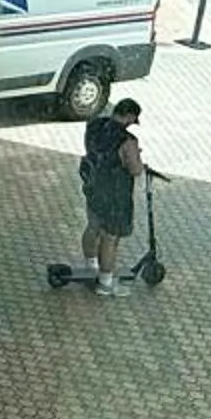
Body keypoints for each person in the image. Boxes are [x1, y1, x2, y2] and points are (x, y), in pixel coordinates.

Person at [74, 97, 150, 295]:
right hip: (115, 195)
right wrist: (138, 159)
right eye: (133, 120)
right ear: (130, 116)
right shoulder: (128, 141)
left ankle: (90, 265)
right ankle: (105, 283)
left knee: (93, 226)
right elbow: (134, 169)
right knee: (110, 237)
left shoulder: (95, 126)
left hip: (93, 186)